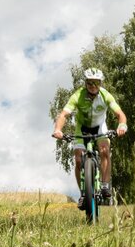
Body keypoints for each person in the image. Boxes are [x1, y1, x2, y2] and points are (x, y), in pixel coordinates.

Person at [52, 68, 128, 206]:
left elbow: (120, 114)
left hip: (100, 128)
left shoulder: (106, 95)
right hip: (82, 129)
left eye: (96, 83)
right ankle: (83, 193)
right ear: (85, 83)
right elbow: (64, 114)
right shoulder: (78, 95)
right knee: (78, 159)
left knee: (105, 151)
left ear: (100, 83)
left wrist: (122, 126)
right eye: (90, 83)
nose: (93, 86)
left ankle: (105, 185)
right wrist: (58, 129)